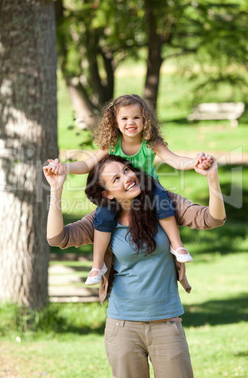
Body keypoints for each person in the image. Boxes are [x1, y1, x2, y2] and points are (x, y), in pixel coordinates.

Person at [44, 154, 226, 378]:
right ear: (107, 193)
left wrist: (212, 177)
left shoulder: (164, 202)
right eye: (116, 179)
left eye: (127, 170)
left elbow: (212, 219)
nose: (127, 178)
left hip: (166, 323)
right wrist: (56, 189)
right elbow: (57, 238)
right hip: (122, 327)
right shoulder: (100, 222)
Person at [46, 94, 212, 285]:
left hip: (148, 186)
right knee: (103, 215)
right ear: (115, 122)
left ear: (144, 119)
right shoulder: (112, 144)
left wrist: (194, 162)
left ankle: (177, 245)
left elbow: (175, 160)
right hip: (119, 194)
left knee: (162, 201)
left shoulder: (150, 142)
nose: (130, 122)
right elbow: (88, 163)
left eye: (136, 117)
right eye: (124, 118)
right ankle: (97, 264)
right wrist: (65, 167)